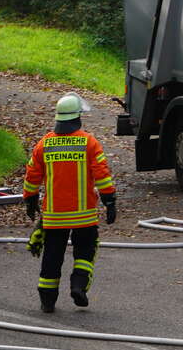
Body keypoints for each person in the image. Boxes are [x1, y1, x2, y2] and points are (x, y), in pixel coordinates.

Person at [23, 92, 116, 313]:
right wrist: (109, 200)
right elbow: (102, 174)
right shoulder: (89, 143)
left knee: (52, 257)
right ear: (77, 118)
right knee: (85, 250)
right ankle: (78, 286)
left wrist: (30, 199)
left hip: (54, 216)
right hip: (83, 215)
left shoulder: (44, 144)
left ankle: (47, 299)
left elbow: (32, 175)